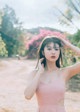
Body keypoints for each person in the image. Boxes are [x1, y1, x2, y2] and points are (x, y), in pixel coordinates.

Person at [24, 36, 80, 112]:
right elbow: (27, 95)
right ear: (43, 52)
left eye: (56, 49)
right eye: (49, 49)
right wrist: (39, 72)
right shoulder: (34, 74)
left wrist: (69, 45)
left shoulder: (65, 72)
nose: (53, 52)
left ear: (59, 52)